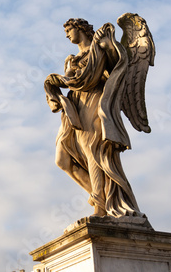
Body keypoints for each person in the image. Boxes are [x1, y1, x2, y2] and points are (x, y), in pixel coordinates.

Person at [44, 18, 144, 218]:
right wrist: (59, 80)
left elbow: (120, 68)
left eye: (69, 30)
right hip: (75, 106)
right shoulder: (71, 58)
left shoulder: (100, 47)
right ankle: (104, 198)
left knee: (93, 151)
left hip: (95, 100)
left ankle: (100, 206)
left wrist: (109, 46)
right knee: (62, 159)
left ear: (80, 29)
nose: (67, 35)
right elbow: (73, 82)